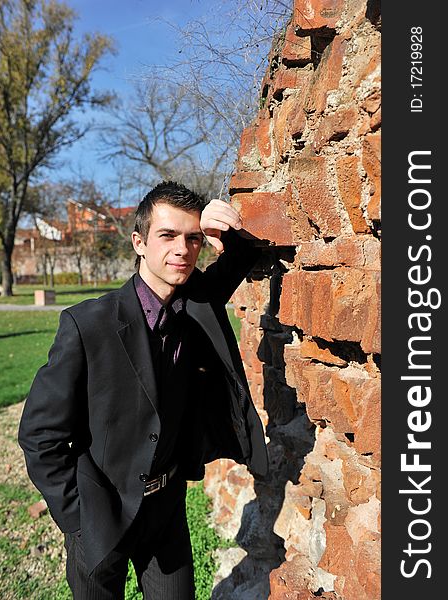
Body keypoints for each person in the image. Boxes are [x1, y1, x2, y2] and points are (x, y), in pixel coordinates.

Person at [18, 181, 268, 600]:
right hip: (100, 511)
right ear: (139, 242)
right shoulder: (88, 324)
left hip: (166, 509)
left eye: (191, 239)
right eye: (167, 236)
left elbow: (245, 252)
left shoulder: (197, 305)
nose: (182, 250)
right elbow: (40, 434)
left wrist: (214, 222)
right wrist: (78, 518)